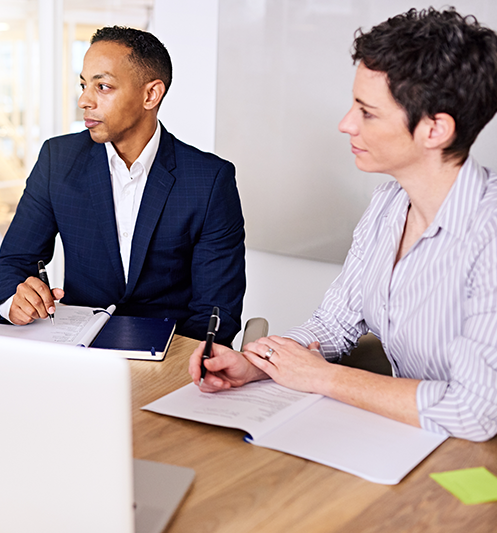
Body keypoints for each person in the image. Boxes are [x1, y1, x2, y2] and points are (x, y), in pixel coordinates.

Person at [191, 7, 497, 442]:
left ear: (435, 130)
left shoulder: (489, 233)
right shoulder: (389, 204)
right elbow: (335, 324)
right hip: (415, 441)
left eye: (367, 112)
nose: (345, 123)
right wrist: (256, 364)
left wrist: (323, 378)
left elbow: (474, 411)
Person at [0, 26, 245, 345]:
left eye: (102, 86)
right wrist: (15, 302)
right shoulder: (59, 160)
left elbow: (216, 311)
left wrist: (173, 363)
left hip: (170, 354)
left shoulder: (209, 180)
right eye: (83, 85)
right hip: (78, 353)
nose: (84, 100)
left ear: (151, 94)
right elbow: (13, 261)